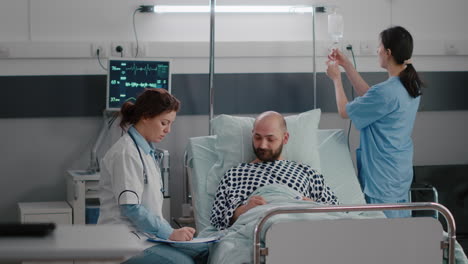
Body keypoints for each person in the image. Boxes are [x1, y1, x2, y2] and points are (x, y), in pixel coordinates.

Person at [98, 88, 207, 264]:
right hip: (123, 240)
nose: (168, 130)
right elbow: (131, 208)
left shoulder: (146, 151)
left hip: (145, 236)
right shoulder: (126, 153)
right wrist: (170, 233)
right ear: (146, 116)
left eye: (171, 124)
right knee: (183, 263)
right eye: (164, 123)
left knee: (204, 251)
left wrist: (169, 233)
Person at [325, 26, 424, 218]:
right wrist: (347, 65)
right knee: (399, 231)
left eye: (379, 46)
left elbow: (344, 111)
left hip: (382, 177)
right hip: (398, 171)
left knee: (383, 236)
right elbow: (373, 98)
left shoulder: (387, 91)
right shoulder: (409, 84)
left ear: (388, 52)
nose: (377, 50)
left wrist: (336, 79)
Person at [210, 111, 338, 230]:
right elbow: (216, 221)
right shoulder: (234, 174)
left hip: (301, 229)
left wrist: (315, 206)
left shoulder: (307, 172)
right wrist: (244, 210)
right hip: (254, 231)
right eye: (257, 138)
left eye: (270, 139)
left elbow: (338, 211)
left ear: (285, 138)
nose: (262, 145)